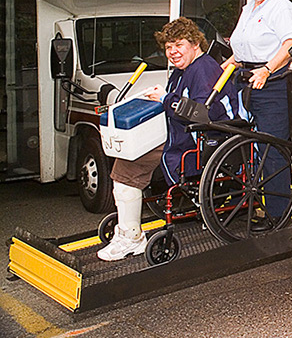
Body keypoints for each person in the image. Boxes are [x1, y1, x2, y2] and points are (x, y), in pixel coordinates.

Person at [98, 17, 239, 261]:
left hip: (205, 139)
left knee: (128, 166)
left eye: (179, 45)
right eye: (168, 47)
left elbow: (201, 114)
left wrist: (165, 99)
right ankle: (127, 231)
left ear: (196, 44)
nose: (172, 52)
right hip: (181, 133)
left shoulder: (203, 68)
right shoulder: (182, 71)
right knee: (126, 152)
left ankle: (131, 238)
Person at [222, 0, 292, 223]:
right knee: (252, 148)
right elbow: (241, 48)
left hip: (272, 84)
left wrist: (267, 69)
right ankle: (259, 205)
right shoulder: (248, 9)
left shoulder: (281, 7)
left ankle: (279, 215)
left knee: (272, 151)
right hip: (246, 80)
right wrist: (225, 66)